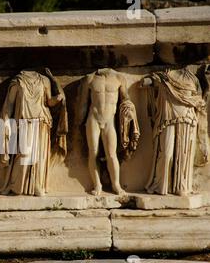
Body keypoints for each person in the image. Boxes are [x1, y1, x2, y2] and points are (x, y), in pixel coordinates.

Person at [0, 68, 67, 196]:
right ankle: (14, 184)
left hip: (42, 121)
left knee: (39, 157)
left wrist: (57, 99)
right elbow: (9, 105)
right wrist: (6, 121)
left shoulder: (44, 80)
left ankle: (37, 185)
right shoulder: (18, 81)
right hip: (24, 121)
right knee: (23, 154)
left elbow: (48, 102)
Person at [142, 67, 208, 196]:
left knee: (184, 155)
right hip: (168, 119)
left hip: (187, 120)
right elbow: (144, 83)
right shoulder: (163, 78)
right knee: (166, 154)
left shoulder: (192, 79)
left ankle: (182, 186)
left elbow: (199, 100)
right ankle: (161, 186)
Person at [77, 68, 139, 196]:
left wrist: (130, 106)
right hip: (93, 118)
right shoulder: (90, 78)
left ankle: (116, 184)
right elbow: (83, 103)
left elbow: (125, 97)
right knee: (93, 152)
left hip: (109, 121)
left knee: (111, 154)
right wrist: (80, 121)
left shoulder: (118, 78)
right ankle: (97, 184)